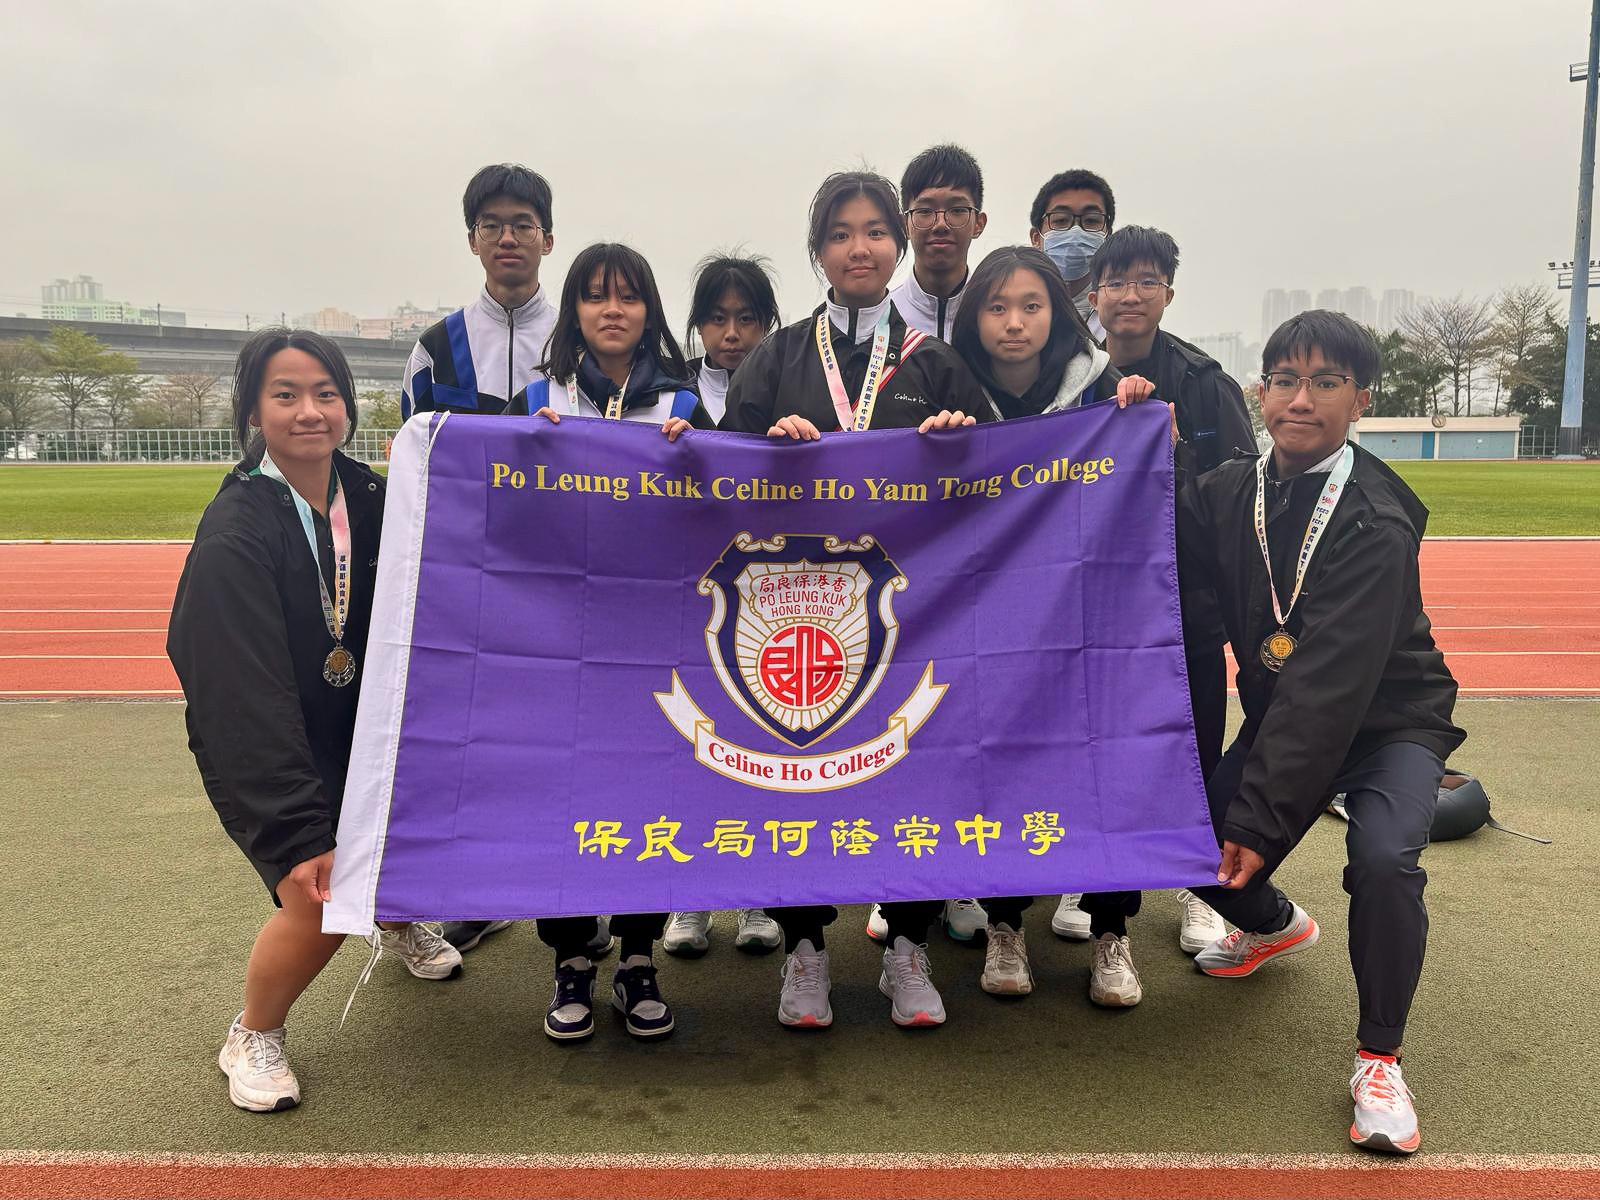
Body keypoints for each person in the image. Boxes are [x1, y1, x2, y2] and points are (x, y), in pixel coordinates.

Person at [1179, 310, 1465, 1154]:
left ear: (1361, 400)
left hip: (1386, 725)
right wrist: (1127, 438)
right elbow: (1145, 534)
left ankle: (1380, 1058)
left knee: (1381, 859)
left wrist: (1261, 821)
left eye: (1326, 383)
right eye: (1285, 381)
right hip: (1285, 718)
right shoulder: (1233, 489)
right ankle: (1272, 925)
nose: (1301, 401)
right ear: (1258, 392)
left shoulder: (1377, 517)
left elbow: (1328, 689)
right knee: (1186, 846)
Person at [724, 169, 992, 1030]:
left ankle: (904, 951)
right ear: (818, 253)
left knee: (910, 782)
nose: (860, 248)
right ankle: (805, 954)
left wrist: (961, 443)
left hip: (913, 613)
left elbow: (1005, 485)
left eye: (876, 231)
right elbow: (723, 482)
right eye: (840, 234)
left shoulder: (936, 363)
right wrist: (769, 447)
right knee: (801, 786)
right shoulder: (778, 357)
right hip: (799, 614)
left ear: (898, 246)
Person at [168, 329, 462, 1112]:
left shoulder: (370, 498)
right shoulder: (236, 531)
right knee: (322, 893)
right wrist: (296, 825)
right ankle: (254, 1031)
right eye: (286, 395)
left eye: (325, 394)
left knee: (401, 838)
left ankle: (395, 920)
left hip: (359, 725)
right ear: (253, 412)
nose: (310, 412)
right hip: (274, 740)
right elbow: (238, 695)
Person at [508, 242, 717, 1041]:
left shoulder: (685, 401)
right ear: (574, 310)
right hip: (560, 637)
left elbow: (723, 505)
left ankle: (635, 957)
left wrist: (693, 457)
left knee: (643, 797)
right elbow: (499, 503)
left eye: (628, 296)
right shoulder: (537, 397)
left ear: (649, 311)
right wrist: (523, 445)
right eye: (595, 296)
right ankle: (570, 959)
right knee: (564, 795)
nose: (612, 310)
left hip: (655, 633)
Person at [943, 245, 1158, 1002]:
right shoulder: (952, 385)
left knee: (1101, 769)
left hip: (1086, 619)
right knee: (997, 769)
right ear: (975, 318)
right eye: (997, 307)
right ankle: (1005, 925)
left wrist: (1131, 416)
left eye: (1031, 306)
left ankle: (1112, 932)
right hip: (989, 625)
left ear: (1057, 315)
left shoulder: (1102, 389)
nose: (1014, 323)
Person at [1060, 225, 1261, 959]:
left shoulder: (1205, 383)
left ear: (1169, 294)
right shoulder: (1073, 384)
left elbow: (1241, 502)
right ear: (1095, 295)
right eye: (1116, 283)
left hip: (1187, 616)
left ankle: (1198, 889)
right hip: (1099, 614)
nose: (1130, 296)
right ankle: (1093, 879)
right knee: (1099, 746)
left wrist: (1171, 455)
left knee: (1192, 751)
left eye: (1147, 281)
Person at [401, 163, 559, 419]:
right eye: (491, 226)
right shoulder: (435, 348)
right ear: (473, 240)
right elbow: (415, 448)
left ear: (547, 242)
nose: (507, 239)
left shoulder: (574, 342)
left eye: (523, 226)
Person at [889, 143, 988, 341]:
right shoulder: (883, 318)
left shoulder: (997, 317)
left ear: (979, 223)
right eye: (925, 211)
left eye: (957, 210)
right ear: (904, 225)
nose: (941, 225)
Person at [680, 251, 782, 428]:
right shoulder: (673, 391)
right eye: (718, 318)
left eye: (746, 319)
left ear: (767, 323)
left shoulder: (787, 391)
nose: (732, 333)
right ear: (698, 323)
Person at [1027, 168, 1114, 343]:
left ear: (1108, 237)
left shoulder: (1120, 313)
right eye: (1060, 220)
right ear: (1036, 238)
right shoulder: (1011, 308)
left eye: (1091, 220)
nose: (1076, 232)